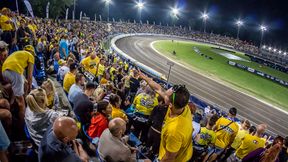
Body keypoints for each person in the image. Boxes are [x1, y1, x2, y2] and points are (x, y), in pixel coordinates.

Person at [139, 70, 193, 162]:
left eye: (166, 96)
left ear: (170, 104)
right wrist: (146, 79)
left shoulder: (175, 131)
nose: (163, 94)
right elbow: (158, 88)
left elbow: (169, 158)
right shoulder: (182, 105)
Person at [2, 45, 35, 123]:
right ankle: (22, 124)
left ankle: (12, 107)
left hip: (4, 72)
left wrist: (27, 86)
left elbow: (25, 80)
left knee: (21, 86)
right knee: (21, 103)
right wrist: (29, 92)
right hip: (14, 72)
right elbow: (30, 77)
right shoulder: (30, 56)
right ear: (32, 53)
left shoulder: (19, 53)